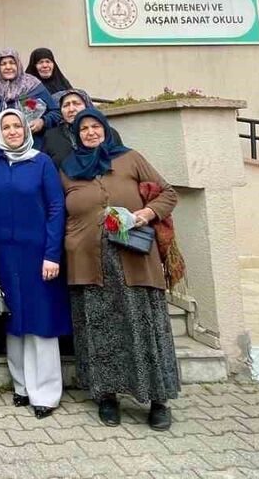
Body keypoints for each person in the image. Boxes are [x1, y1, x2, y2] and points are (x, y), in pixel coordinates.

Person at [60, 109, 180, 430]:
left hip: (134, 258)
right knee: (100, 330)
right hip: (88, 260)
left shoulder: (130, 158)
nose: (90, 132)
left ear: (105, 128)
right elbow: (60, 210)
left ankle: (158, 400)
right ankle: (107, 397)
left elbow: (168, 193)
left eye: (95, 126)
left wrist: (144, 215)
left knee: (144, 327)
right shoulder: (68, 169)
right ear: (76, 134)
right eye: (83, 128)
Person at [0, 109, 69, 419]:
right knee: (14, 322)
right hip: (3, 255)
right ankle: (22, 386)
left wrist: (52, 254)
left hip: (38, 254)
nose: (12, 131)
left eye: (17, 125)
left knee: (41, 322)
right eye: (6, 127)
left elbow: (56, 208)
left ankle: (45, 393)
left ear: (25, 129)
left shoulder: (41, 162)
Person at [0, 50, 56, 145]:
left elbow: (56, 112)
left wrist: (42, 121)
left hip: (32, 147)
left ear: (18, 65)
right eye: (3, 64)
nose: (8, 67)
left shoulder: (33, 86)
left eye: (12, 63)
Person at [43, 89, 122, 167]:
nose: (71, 109)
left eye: (76, 103)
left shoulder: (108, 133)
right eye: (66, 105)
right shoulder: (51, 137)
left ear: (87, 106)